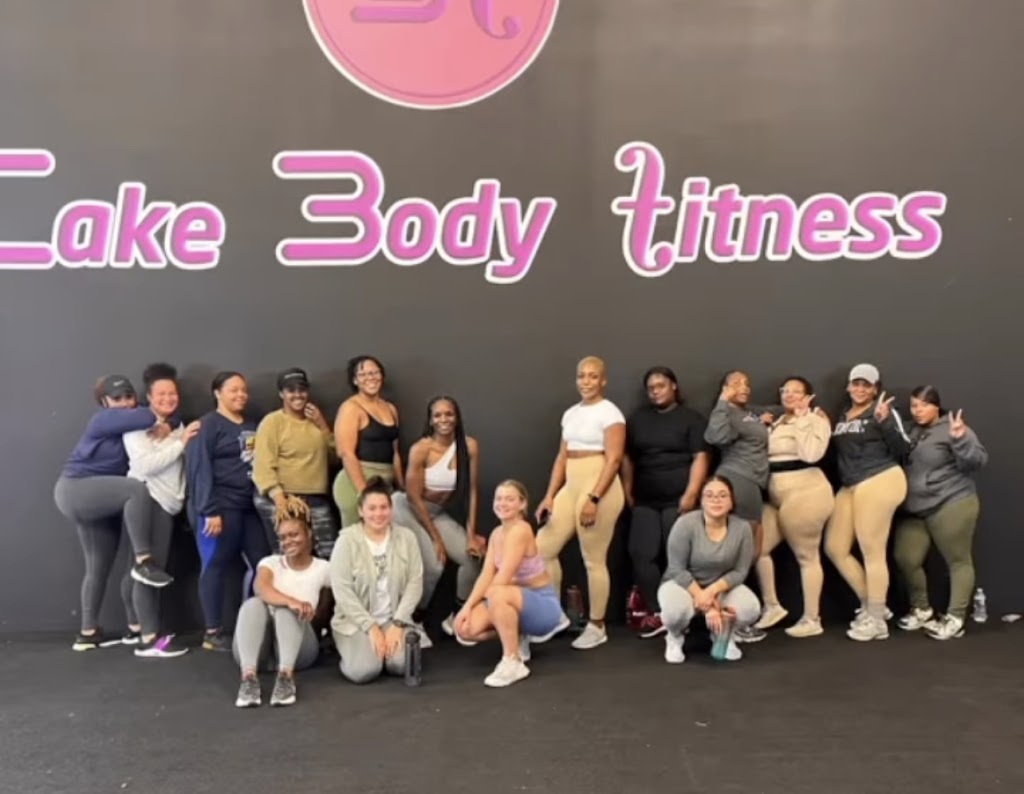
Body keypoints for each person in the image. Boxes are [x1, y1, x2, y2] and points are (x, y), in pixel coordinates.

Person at [53, 374, 175, 651]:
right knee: (135, 490)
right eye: (117, 398)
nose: (125, 403)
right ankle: (145, 560)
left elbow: (163, 420)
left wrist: (168, 425)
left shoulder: (129, 425)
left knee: (98, 566)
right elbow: (148, 416)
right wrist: (159, 421)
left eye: (129, 396)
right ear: (105, 402)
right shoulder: (103, 420)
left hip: (103, 499)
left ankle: (89, 632)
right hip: (76, 489)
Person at [534, 356, 626, 650]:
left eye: (593, 376)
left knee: (593, 559)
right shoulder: (571, 414)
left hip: (599, 485)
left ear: (603, 380)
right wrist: (550, 495)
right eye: (581, 376)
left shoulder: (610, 413)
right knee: (542, 549)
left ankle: (597, 626)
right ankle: (553, 616)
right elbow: (562, 457)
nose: (586, 381)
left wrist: (594, 498)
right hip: (572, 485)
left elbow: (614, 459)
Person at [824, 363, 911, 642]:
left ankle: (876, 621)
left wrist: (885, 422)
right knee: (835, 548)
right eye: (856, 383)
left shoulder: (883, 411)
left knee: (872, 551)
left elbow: (904, 448)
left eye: (867, 385)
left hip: (880, 477)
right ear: (849, 386)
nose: (860, 389)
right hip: (851, 484)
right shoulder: (843, 415)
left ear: (875, 389)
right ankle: (874, 605)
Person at [893, 386, 988, 641]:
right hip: (916, 508)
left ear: (936, 406)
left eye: (924, 405)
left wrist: (960, 439)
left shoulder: (953, 428)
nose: (918, 410)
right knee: (906, 557)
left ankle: (955, 618)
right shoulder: (911, 430)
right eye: (914, 405)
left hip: (951, 502)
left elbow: (977, 461)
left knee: (958, 561)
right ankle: (922, 609)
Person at [621, 366, 710, 638]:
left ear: (674, 386)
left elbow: (700, 457)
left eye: (660, 385)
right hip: (645, 499)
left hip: (679, 499)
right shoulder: (638, 419)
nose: (655, 391)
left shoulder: (691, 418)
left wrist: (692, 493)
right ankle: (658, 612)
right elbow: (627, 458)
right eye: (650, 388)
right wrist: (627, 489)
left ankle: (681, 614)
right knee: (641, 554)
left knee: (677, 558)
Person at [186, 371, 272, 652]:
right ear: (217, 393)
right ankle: (212, 632)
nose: (240, 395)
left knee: (263, 564)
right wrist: (209, 510)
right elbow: (199, 469)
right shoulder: (207, 425)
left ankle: (254, 625)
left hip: (248, 506)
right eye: (233, 390)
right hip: (218, 507)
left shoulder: (252, 425)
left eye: (243, 390)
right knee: (216, 564)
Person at [391, 396, 484, 646]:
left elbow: (472, 490)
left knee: (471, 558)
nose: (444, 419)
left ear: (457, 417)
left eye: (449, 414)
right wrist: (436, 539)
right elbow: (413, 497)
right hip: (408, 509)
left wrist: (471, 534)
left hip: (437, 512)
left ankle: (457, 618)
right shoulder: (421, 449)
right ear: (431, 420)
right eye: (438, 415)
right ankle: (415, 620)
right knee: (434, 566)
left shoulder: (469, 446)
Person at [120, 363, 199, 658]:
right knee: (148, 571)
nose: (168, 399)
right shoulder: (136, 427)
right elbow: (143, 466)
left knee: (139, 569)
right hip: (148, 502)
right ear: (149, 398)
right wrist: (181, 443)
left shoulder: (175, 425)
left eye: (172, 393)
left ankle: (137, 628)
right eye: (161, 394)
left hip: (168, 505)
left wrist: (177, 434)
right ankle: (150, 640)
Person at [453, 481, 563, 688]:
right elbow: (486, 575)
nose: (502, 503)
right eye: (499, 498)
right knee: (465, 629)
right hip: (510, 600)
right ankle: (517, 634)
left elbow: (502, 579)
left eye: (510, 499)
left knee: (497, 593)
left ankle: (512, 661)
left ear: (522, 504)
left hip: (542, 606)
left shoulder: (521, 530)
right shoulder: (496, 534)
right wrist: (466, 608)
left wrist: (486, 603)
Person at [753, 377, 835, 638]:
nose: (789, 395)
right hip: (776, 495)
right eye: (785, 390)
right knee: (758, 548)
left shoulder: (816, 419)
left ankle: (812, 618)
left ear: (808, 396)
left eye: (796, 391)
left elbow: (811, 454)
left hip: (806, 491)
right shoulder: (778, 421)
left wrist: (802, 419)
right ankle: (772, 606)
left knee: (806, 556)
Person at [234, 496, 332, 708]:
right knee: (253, 604)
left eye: (294, 534)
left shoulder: (324, 568)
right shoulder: (270, 563)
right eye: (283, 537)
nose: (288, 541)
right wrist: (291, 601)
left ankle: (286, 678)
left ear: (309, 533)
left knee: (287, 612)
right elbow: (261, 587)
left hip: (299, 650)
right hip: (261, 649)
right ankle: (248, 679)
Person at [704, 370, 775, 642]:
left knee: (751, 551)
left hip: (752, 485)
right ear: (724, 388)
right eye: (736, 384)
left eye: (747, 383)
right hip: (738, 480)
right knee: (740, 552)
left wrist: (800, 410)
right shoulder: (727, 412)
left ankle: (728, 616)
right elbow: (715, 436)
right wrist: (723, 400)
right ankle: (724, 621)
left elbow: (776, 409)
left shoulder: (748, 413)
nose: (744, 387)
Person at [329, 478, 423, 684]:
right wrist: (371, 627)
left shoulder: (407, 538)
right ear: (361, 511)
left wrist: (398, 622)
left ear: (391, 509)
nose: (378, 514)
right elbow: (342, 591)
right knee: (364, 671)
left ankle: (396, 641)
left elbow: (415, 583)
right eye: (371, 508)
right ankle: (352, 649)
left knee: (401, 665)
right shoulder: (346, 541)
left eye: (383, 507)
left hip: (393, 618)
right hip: (356, 622)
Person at [657, 475, 759, 663]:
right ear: (701, 501)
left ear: (731, 501)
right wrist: (706, 603)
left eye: (722, 495)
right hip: (682, 585)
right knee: (674, 612)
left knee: (750, 608)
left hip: (719, 588)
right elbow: (676, 569)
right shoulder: (685, 524)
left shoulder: (743, 528)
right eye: (709, 495)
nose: (716, 500)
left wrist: (711, 592)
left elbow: (740, 571)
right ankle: (674, 637)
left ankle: (723, 634)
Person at [252, 367, 339, 557]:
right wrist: (280, 500)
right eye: (291, 390)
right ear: (281, 394)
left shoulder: (315, 421)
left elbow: (334, 457)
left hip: (315, 497)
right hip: (282, 497)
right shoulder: (272, 422)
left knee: (328, 553)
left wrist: (323, 425)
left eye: (302, 389)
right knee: (287, 555)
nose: (297, 395)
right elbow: (263, 466)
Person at [332, 355, 404, 528]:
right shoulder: (350, 408)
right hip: (355, 484)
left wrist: (401, 487)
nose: (370, 377)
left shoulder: (390, 409)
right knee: (358, 538)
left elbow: (395, 452)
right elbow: (345, 453)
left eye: (374, 373)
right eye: (363, 374)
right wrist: (364, 494)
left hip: (384, 485)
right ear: (355, 380)